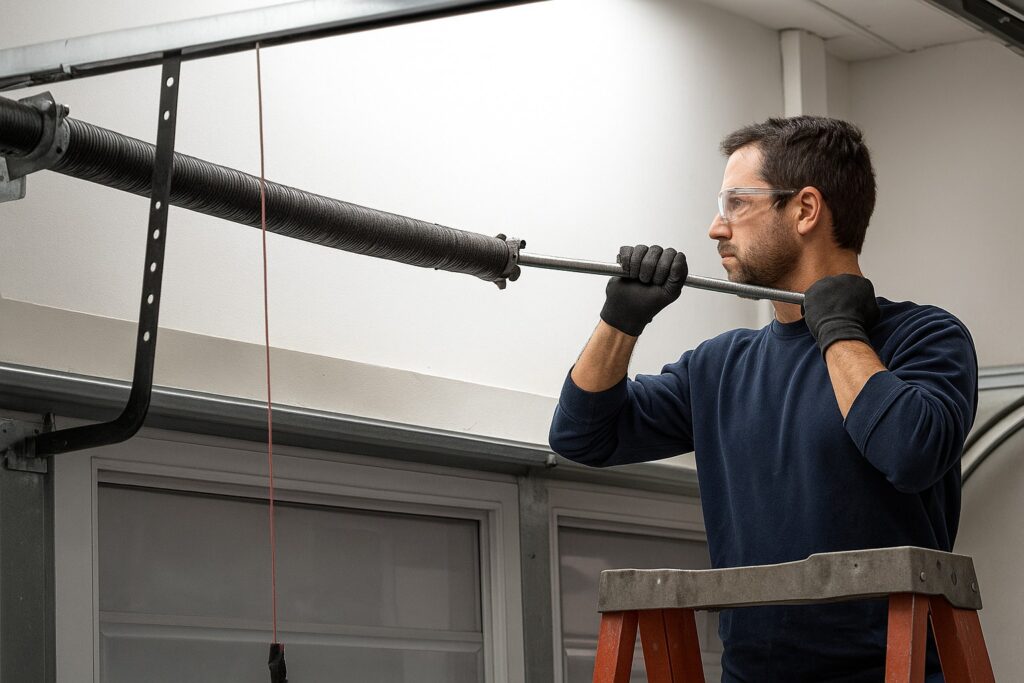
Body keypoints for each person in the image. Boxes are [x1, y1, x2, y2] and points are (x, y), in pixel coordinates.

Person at [548, 116, 978, 682]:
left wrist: (840, 328)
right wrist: (619, 319)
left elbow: (910, 451)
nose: (715, 229)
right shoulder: (720, 367)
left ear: (804, 210)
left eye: (735, 204)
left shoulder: (926, 336)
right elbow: (582, 435)